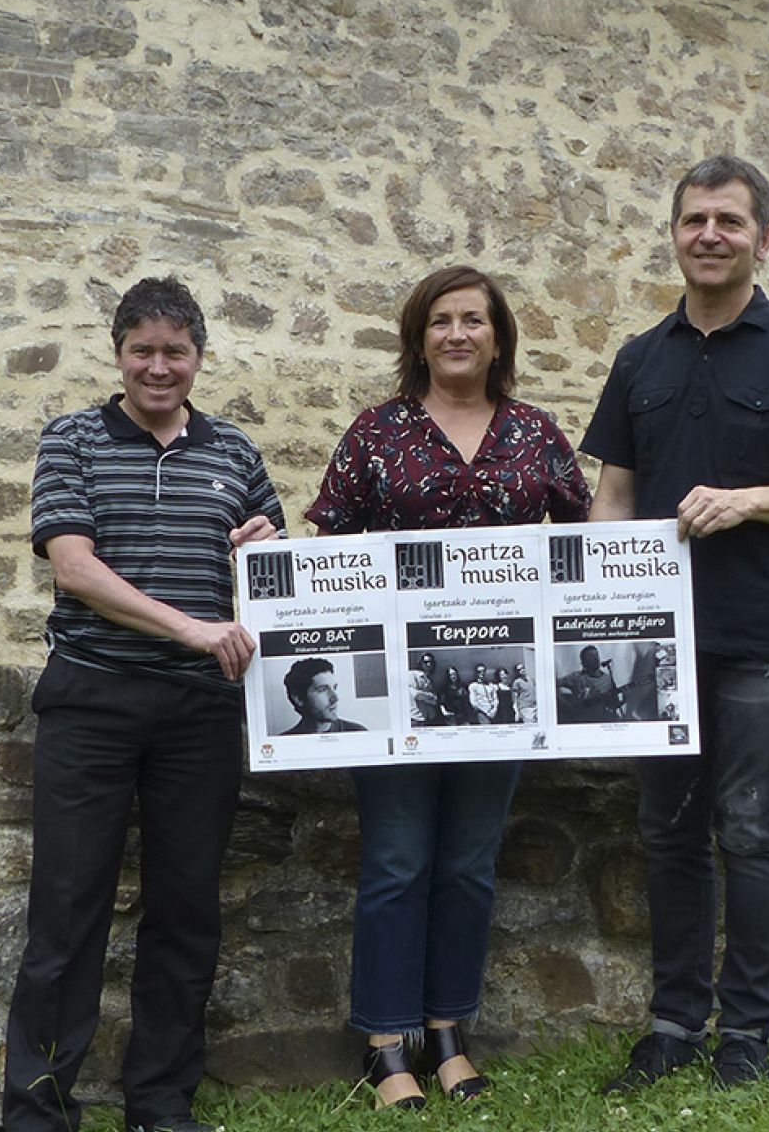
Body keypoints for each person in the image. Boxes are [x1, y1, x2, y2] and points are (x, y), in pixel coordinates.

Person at [582, 156, 769, 1091]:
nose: (710, 234)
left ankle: (747, 1028)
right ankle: (674, 1020)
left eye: (730, 222)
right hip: (654, 644)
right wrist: (599, 590)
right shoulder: (639, 358)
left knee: (748, 830)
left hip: (759, 636)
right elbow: (615, 494)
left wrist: (751, 501)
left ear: (765, 240)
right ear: (673, 234)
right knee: (668, 832)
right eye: (695, 219)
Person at [4, 277, 285, 1132]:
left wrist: (264, 549)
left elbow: (274, 586)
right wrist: (194, 631)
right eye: (143, 351)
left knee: (187, 910)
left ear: (199, 358)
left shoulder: (235, 453)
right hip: (92, 699)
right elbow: (75, 569)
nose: (159, 367)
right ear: (118, 353)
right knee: (68, 909)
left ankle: (160, 1104)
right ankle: (39, 1111)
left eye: (176, 352)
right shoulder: (74, 440)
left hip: (199, 715)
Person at [306, 265, 591, 1108]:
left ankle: (448, 1032)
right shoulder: (376, 432)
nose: (458, 333)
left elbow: (582, 546)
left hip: (502, 690)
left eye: (474, 319)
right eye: (441, 320)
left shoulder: (537, 434)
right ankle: (384, 1041)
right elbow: (327, 550)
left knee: (468, 864)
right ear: (417, 337)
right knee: (397, 861)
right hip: (397, 693)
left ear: (498, 335)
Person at [280, 657, 368, 734]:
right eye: (322, 689)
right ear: (299, 699)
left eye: (334, 688)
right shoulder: (283, 742)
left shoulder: (358, 733)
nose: (335, 698)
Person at [556, 646, 621, 724]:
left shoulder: (607, 679)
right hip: (581, 719)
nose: (596, 659)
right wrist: (566, 705)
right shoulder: (576, 677)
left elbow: (613, 705)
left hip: (600, 719)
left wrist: (622, 699)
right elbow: (553, 684)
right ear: (583, 662)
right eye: (591, 657)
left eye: (596, 656)